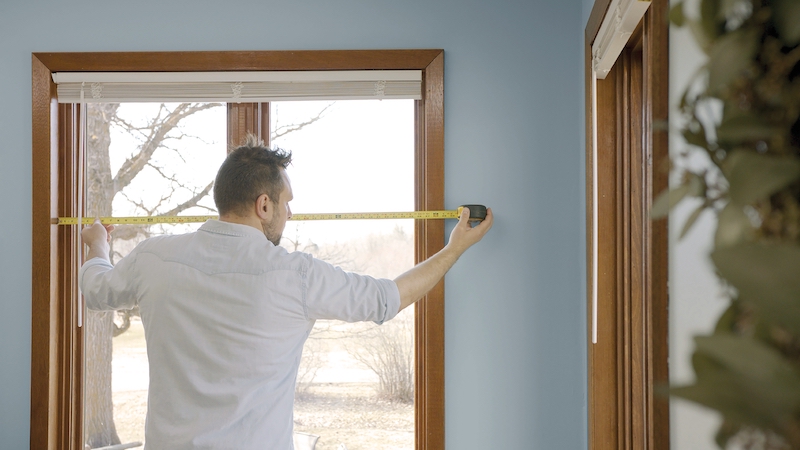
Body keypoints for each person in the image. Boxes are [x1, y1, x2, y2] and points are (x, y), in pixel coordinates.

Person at [79, 136, 493, 450]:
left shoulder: (154, 258)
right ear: (263, 205)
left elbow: (96, 290)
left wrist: (97, 243)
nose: (290, 213)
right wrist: (454, 248)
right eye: (286, 202)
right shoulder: (296, 275)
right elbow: (389, 298)